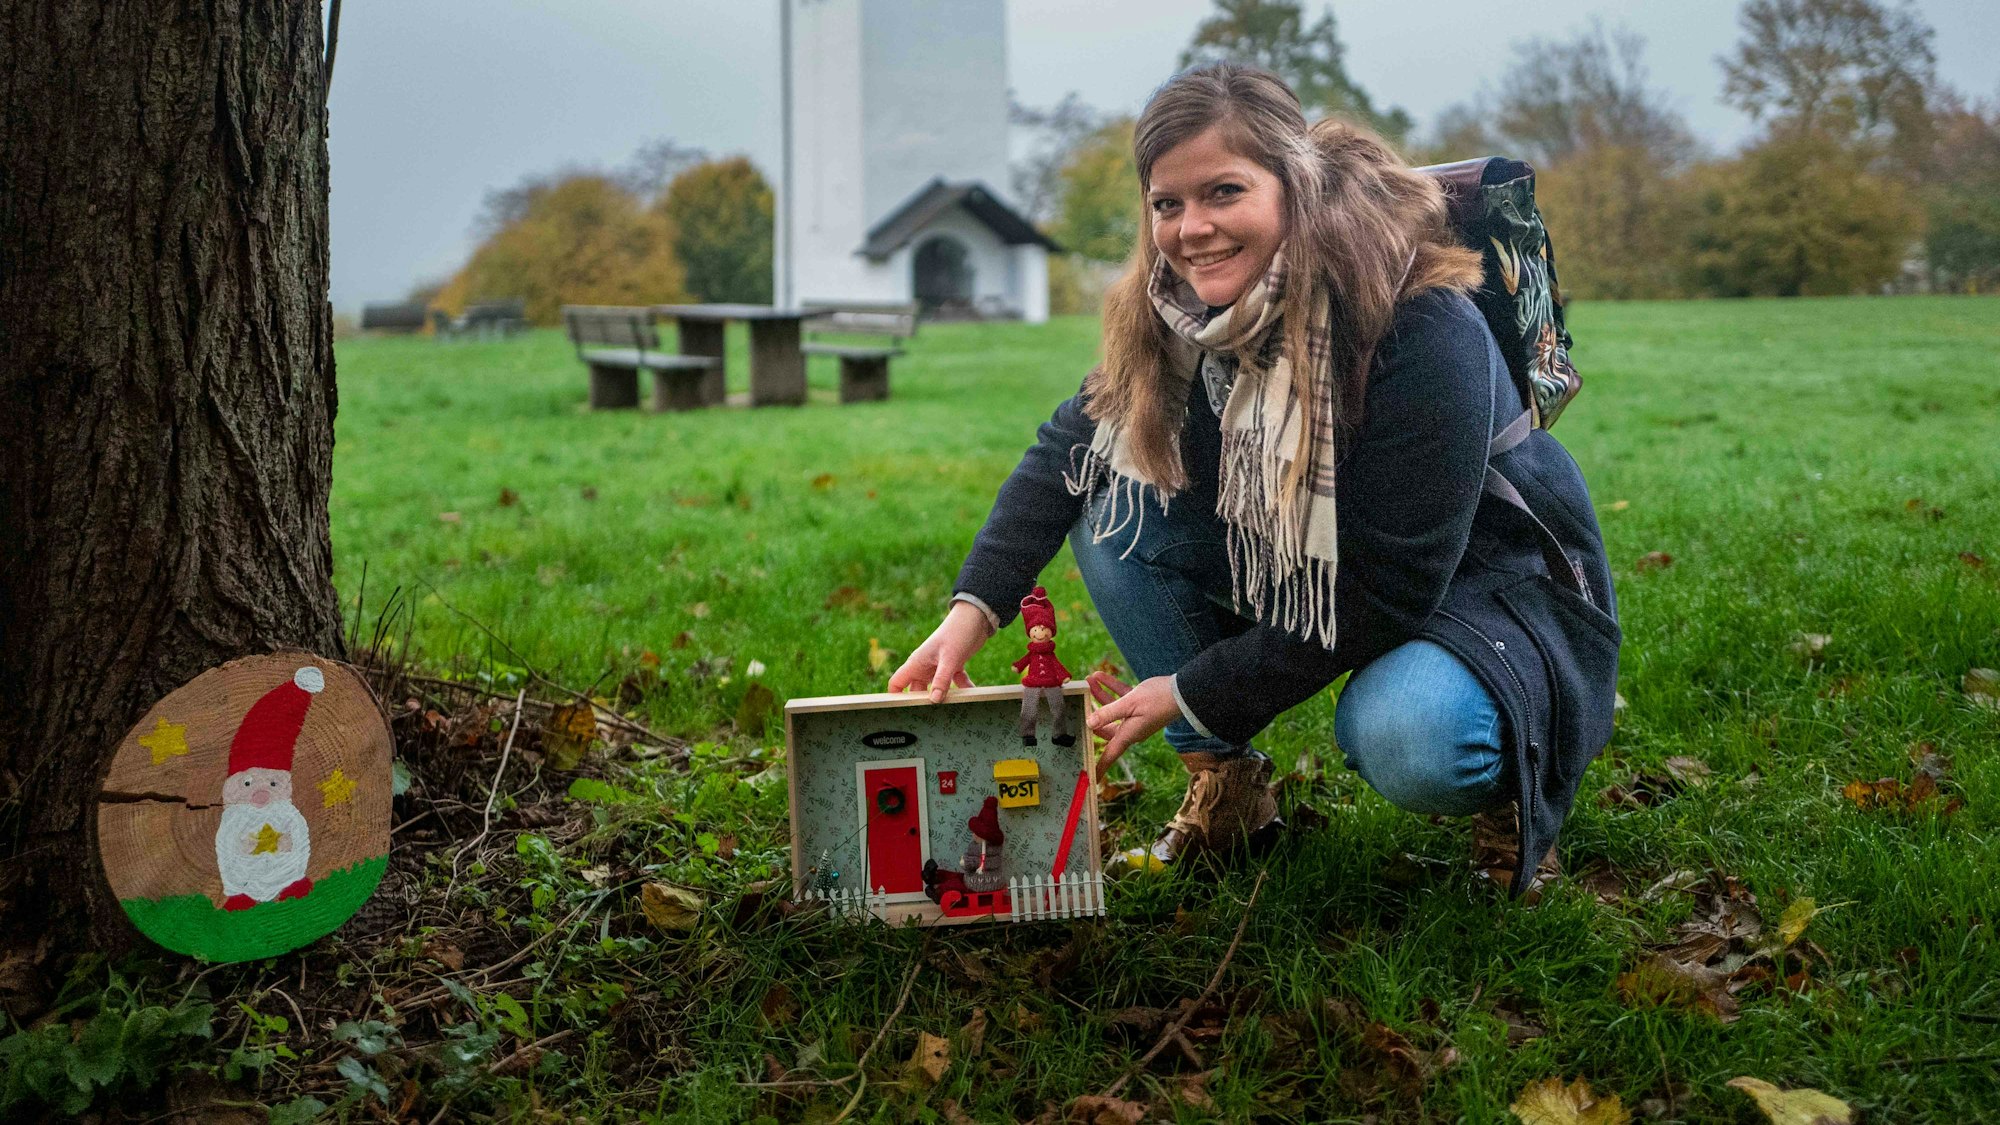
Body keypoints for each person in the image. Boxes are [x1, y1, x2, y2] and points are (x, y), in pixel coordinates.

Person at [887, 63, 1619, 897]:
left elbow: (1394, 583)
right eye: (1168, 203)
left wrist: (1196, 689)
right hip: (1325, 563)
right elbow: (1065, 449)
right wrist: (968, 614)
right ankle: (1228, 787)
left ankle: (1512, 789)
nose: (1192, 228)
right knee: (1110, 496)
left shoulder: (1417, 315)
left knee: (1406, 734)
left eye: (1224, 192)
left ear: (1294, 184)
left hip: (1484, 581)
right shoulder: (1178, 314)